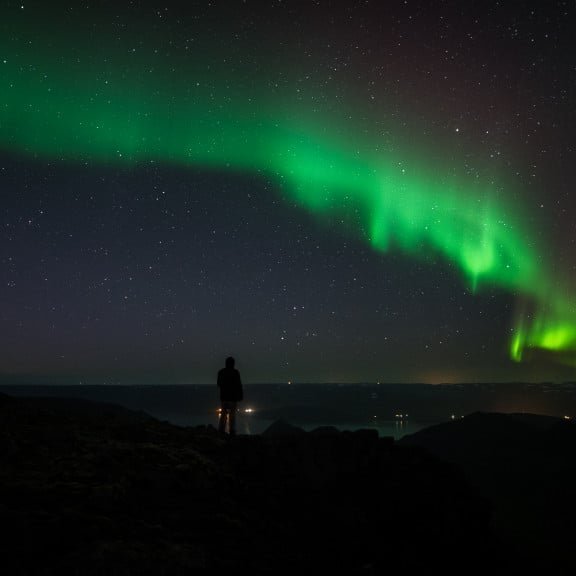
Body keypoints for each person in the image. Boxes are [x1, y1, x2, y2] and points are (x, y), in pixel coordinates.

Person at [217, 356, 243, 435]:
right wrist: (240, 395)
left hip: (224, 397)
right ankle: (232, 430)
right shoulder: (235, 372)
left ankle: (221, 430)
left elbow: (219, 384)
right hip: (233, 397)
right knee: (232, 415)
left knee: (223, 414)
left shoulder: (221, 372)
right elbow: (239, 385)